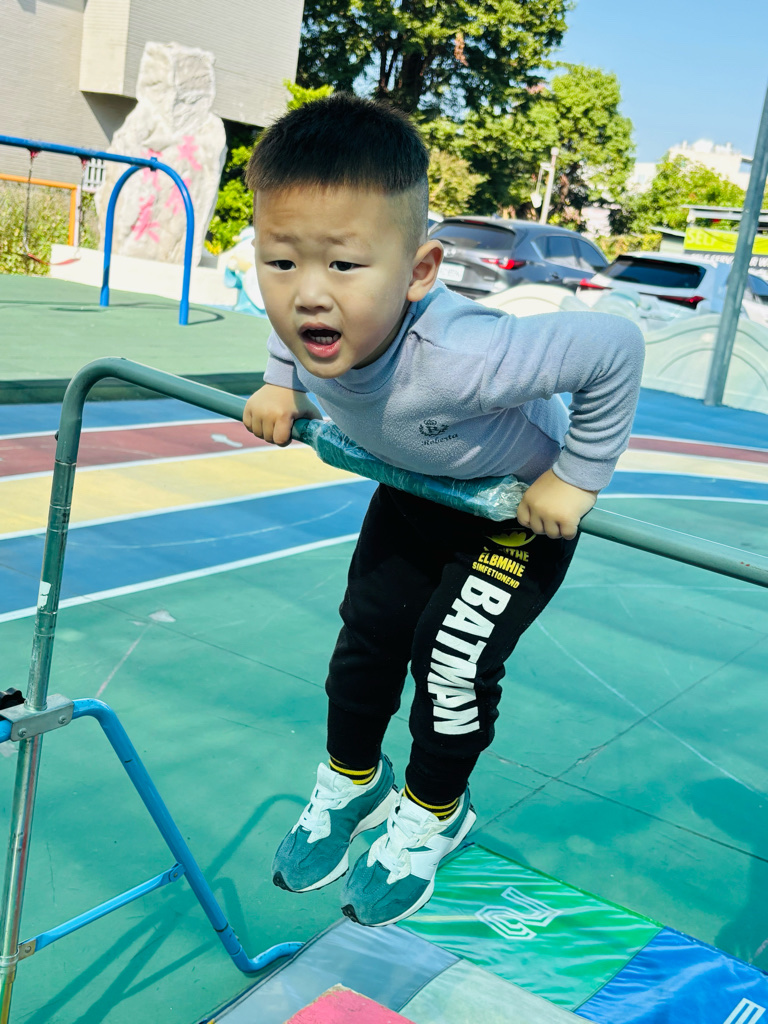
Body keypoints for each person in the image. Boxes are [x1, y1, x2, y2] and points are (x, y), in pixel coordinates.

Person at [241, 93, 644, 928]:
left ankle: (434, 811)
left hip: (511, 517)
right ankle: (354, 783)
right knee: (366, 639)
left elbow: (616, 347)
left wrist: (576, 478)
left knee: (450, 662)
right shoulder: (310, 313)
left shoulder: (467, 357)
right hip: (419, 490)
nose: (308, 295)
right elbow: (293, 319)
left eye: (344, 266)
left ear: (420, 271)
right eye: (280, 261)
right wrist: (281, 383)